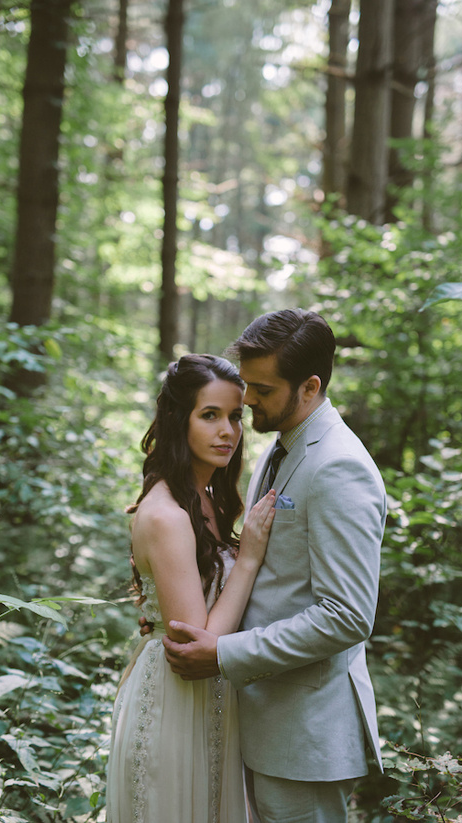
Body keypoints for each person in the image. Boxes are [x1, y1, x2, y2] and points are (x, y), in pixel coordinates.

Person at [162, 309, 387, 823]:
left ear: (310, 387)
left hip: (304, 737)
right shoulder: (282, 446)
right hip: (264, 720)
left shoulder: (338, 467)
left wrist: (225, 653)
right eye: (248, 385)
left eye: (262, 389)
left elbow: (347, 615)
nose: (248, 400)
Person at [105, 353, 276, 823]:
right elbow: (195, 641)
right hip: (176, 700)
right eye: (210, 415)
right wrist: (250, 559)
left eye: (235, 416)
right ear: (179, 420)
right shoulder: (166, 513)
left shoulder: (206, 496)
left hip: (215, 700)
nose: (228, 431)